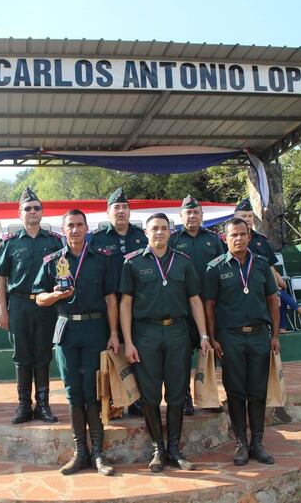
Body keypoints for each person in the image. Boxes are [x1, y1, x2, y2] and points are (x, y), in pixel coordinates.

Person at [120, 213, 210, 473]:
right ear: (146, 233)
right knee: (149, 396)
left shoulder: (183, 262)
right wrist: (128, 341)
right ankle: (158, 448)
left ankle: (174, 448)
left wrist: (203, 335)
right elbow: (125, 303)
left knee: (176, 393)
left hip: (178, 333)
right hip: (145, 334)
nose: (159, 233)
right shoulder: (133, 263)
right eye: (154, 229)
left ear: (171, 232)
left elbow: (195, 300)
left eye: (163, 228)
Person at [33, 209, 120, 476]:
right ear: (63, 229)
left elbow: (110, 299)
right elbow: (38, 297)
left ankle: (97, 453)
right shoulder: (52, 261)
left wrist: (114, 333)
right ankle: (79, 452)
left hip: (95, 328)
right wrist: (55, 296)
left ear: (87, 228)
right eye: (70, 225)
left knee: (93, 390)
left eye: (79, 225)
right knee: (73, 392)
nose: (75, 230)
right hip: (66, 328)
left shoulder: (101, 260)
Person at [203, 217, 281, 466]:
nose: (238, 238)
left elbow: (272, 301)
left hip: (259, 335)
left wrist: (275, 335)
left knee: (258, 391)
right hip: (230, 338)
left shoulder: (261, 264)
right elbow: (210, 306)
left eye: (242, 234)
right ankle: (241, 444)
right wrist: (213, 338)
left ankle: (257, 442)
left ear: (249, 236)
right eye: (233, 235)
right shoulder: (214, 268)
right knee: (236, 392)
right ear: (225, 238)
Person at [0, 188, 64, 424]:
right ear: (20, 214)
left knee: (43, 354)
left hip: (46, 305)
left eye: (36, 208)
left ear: (42, 213)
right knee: (22, 356)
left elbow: (64, 273)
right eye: (28, 209)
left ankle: (43, 405)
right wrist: (3, 309)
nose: (32, 212)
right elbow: (0, 278)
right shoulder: (10, 244)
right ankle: (24, 405)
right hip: (20, 305)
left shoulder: (54, 242)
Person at [90, 187, 148, 417]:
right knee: (111, 351)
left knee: (137, 352)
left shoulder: (142, 236)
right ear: (108, 212)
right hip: (107, 306)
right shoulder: (97, 239)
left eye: (125, 207)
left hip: (138, 305)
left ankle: (137, 399)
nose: (121, 211)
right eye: (117, 208)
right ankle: (114, 400)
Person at [169, 194, 226, 415]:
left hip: (210, 305)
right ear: (181, 215)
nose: (192, 216)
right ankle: (184, 397)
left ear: (202, 215)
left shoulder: (213, 240)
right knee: (182, 356)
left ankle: (210, 396)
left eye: (196, 212)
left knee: (211, 351)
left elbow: (223, 268)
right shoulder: (173, 241)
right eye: (188, 212)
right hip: (183, 308)